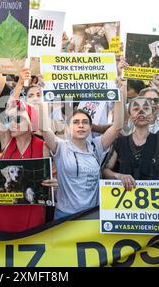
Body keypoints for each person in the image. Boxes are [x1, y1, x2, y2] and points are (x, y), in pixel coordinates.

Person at [0, 65, 56, 232]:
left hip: (32, 212)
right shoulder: (6, 138)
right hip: (5, 213)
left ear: (31, 123)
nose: (12, 123)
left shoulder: (42, 146)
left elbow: (47, 182)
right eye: (11, 119)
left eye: (19, 120)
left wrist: (53, 183)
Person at [39, 81, 126, 219]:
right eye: (76, 122)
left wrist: (119, 93)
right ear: (67, 128)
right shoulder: (61, 147)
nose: (81, 125)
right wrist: (43, 95)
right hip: (64, 215)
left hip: (91, 215)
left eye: (85, 122)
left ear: (90, 128)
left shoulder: (96, 146)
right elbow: (44, 128)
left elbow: (117, 127)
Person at [103, 96, 159, 189]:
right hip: (125, 199)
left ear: (152, 114)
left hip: (155, 199)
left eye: (146, 108)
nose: (141, 112)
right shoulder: (120, 142)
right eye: (136, 109)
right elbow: (106, 170)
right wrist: (119, 176)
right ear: (130, 115)